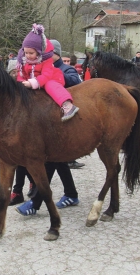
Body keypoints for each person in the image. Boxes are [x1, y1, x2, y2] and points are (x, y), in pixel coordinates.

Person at [15, 39, 82, 215]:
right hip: (41, 118)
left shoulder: (61, 68)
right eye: (27, 53)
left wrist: (39, 79)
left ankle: (36, 202)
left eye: (33, 53)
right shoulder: (31, 63)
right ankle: (71, 193)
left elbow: (74, 81)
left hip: (56, 120)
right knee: (59, 162)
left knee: (52, 160)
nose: (29, 55)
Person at [16, 23, 78, 121]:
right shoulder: (24, 62)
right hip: (34, 81)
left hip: (51, 78)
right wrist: (20, 82)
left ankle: (67, 104)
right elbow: (21, 74)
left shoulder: (46, 61)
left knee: (50, 85)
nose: (28, 55)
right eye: (26, 52)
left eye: (31, 53)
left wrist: (32, 83)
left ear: (39, 52)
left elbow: (46, 75)